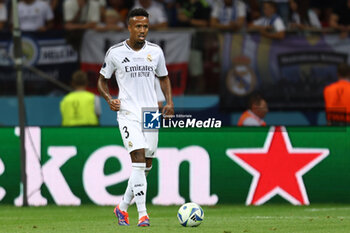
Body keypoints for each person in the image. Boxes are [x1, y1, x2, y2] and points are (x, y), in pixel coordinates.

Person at [97, 8, 174, 227]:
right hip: (128, 112)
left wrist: (169, 102)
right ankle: (143, 214)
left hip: (150, 113)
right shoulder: (115, 52)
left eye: (146, 26)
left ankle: (121, 207)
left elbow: (164, 77)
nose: (142, 30)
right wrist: (109, 98)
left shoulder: (156, 52)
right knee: (138, 160)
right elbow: (102, 80)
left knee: (147, 164)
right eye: (138, 26)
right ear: (129, 27)